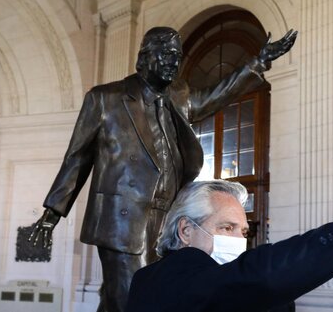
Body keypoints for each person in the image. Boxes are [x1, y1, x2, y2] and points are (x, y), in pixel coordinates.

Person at [27, 26, 298, 312]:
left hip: (168, 216)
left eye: (177, 56)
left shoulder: (178, 95)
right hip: (123, 219)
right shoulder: (105, 98)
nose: (173, 61)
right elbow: (77, 157)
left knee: (141, 293)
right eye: (166, 53)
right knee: (133, 296)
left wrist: (258, 61)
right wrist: (52, 212)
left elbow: (217, 95)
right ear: (143, 58)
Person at [125, 149, 333, 312]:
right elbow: (262, 275)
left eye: (242, 231)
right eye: (226, 227)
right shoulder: (161, 278)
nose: (238, 240)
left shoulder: (230, 282)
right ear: (186, 231)